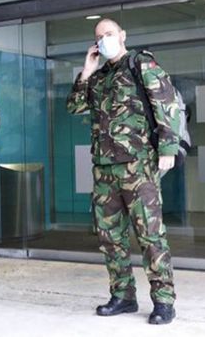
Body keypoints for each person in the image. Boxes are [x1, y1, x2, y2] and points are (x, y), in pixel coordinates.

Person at [66, 18, 179, 325]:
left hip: (137, 165)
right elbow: (74, 106)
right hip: (104, 169)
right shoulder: (99, 76)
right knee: (110, 237)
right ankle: (123, 296)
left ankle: (164, 300)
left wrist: (168, 148)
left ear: (123, 35)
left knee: (150, 234)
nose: (104, 40)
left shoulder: (140, 64)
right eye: (99, 37)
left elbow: (166, 103)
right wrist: (87, 71)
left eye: (109, 34)